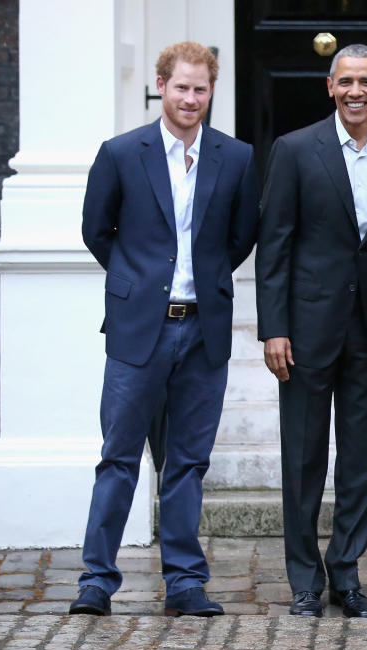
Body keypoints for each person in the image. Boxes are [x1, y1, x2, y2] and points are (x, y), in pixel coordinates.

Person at [71, 42, 259, 617]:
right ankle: (96, 581)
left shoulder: (238, 157)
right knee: (119, 456)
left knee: (187, 461)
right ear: (161, 85)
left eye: (201, 89)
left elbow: (241, 236)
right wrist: (138, 284)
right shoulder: (123, 152)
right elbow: (96, 230)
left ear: (211, 91)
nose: (191, 99)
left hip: (203, 331)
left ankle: (184, 582)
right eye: (181, 87)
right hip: (137, 331)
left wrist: (201, 279)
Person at [256, 44, 367, 619]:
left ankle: (345, 573)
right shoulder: (295, 150)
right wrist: (272, 327)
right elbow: (273, 245)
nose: (355, 91)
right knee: (302, 458)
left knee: (360, 460)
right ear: (330, 86)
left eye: (366, 82)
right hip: (303, 330)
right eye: (345, 81)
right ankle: (304, 580)